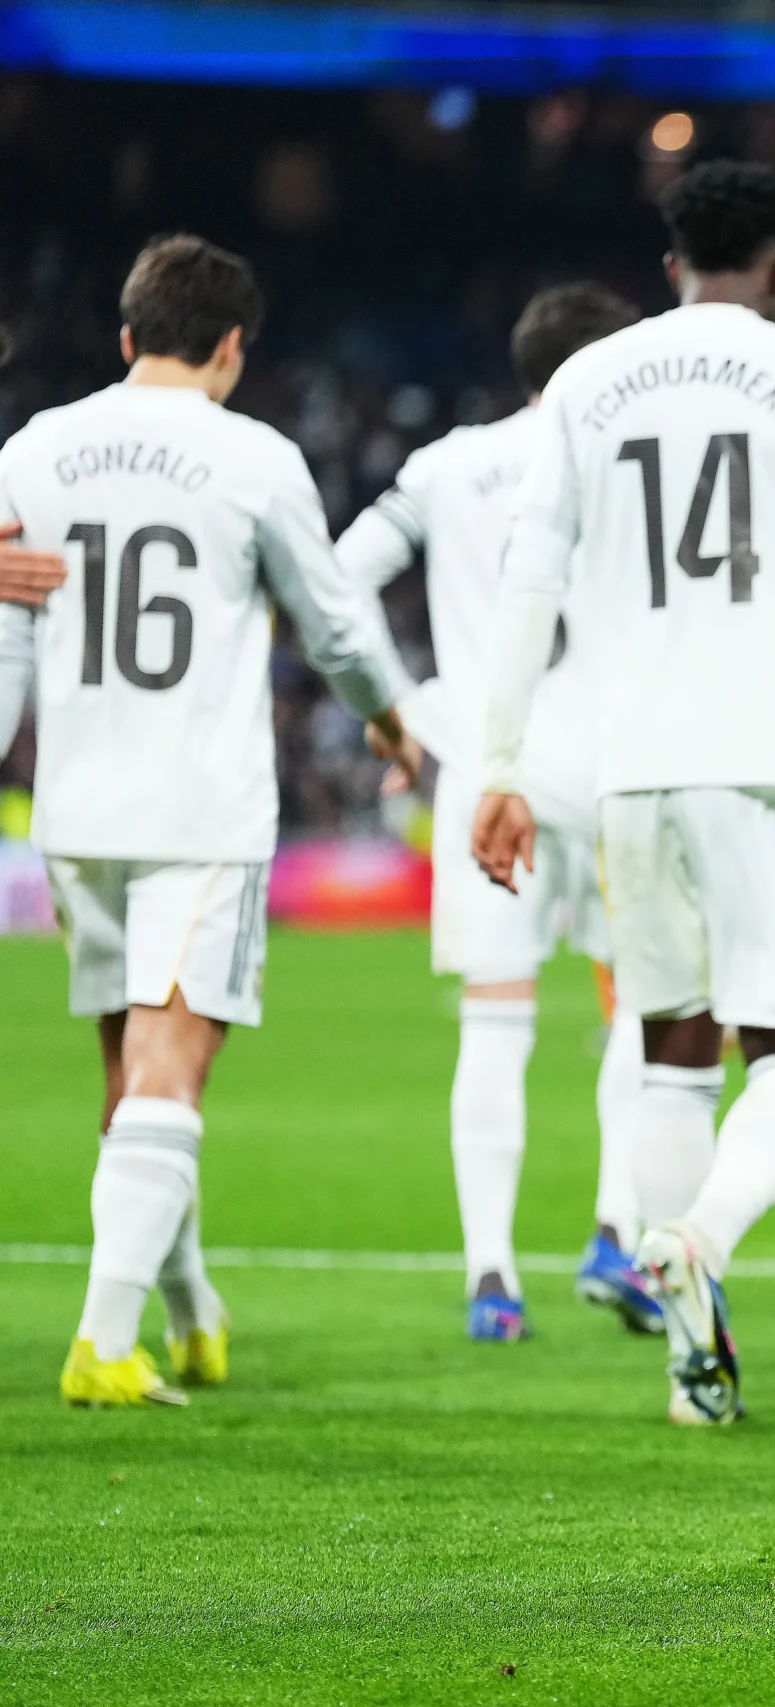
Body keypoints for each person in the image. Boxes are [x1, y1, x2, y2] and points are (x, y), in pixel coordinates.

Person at [471, 162, 775, 1425]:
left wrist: (503, 762)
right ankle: (706, 1239)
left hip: (629, 768)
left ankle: (692, 1362)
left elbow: (527, 588)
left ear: (669, 261)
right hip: (768, 760)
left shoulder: (585, 382)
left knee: (674, 1047)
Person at [0, 234, 417, 1408]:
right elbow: (333, 623)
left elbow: (8, 634)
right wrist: (387, 721)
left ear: (126, 336)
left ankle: (189, 1313)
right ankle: (100, 1343)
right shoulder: (254, 459)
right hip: (199, 811)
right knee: (169, 1072)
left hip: (76, 808)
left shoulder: (36, 449)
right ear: (232, 347)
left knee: (133, 1075)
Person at [337, 282, 655, 1344]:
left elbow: (343, 578)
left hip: (482, 765)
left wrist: (403, 716)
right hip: (608, 766)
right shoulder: (624, 455)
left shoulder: (443, 465)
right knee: (643, 1006)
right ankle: (617, 1231)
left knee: (495, 1021)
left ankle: (490, 1278)